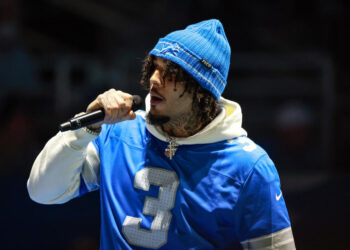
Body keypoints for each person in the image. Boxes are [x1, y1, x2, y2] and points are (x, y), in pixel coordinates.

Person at [27, 19, 295, 249]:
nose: (153, 80)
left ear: (202, 91)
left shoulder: (248, 166)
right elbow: (42, 192)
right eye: (153, 67)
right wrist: (85, 130)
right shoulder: (118, 133)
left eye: (170, 74)